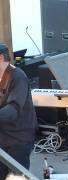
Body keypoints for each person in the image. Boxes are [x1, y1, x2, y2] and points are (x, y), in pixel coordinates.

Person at [0, 43, 37, 179]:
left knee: (16, 177)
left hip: (18, 140)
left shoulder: (18, 76)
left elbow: (13, 110)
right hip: (2, 139)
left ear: (0, 58)